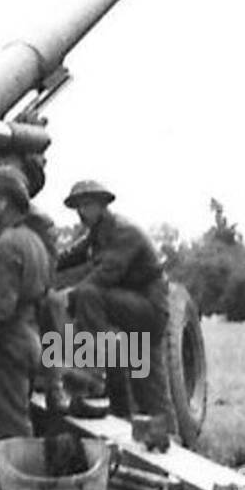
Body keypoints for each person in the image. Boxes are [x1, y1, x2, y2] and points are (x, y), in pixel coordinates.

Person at [0, 158, 70, 414]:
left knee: (50, 306)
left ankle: (55, 384)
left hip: (25, 290)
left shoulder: (41, 224)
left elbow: (46, 271)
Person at [58, 179, 171, 419]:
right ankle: (126, 410)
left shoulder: (123, 231)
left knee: (87, 294)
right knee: (146, 385)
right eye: (78, 206)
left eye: (87, 205)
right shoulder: (97, 233)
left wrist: (69, 296)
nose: (81, 211)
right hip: (130, 306)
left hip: (149, 307)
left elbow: (104, 275)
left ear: (102, 205)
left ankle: (93, 375)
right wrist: (41, 258)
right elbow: (68, 256)